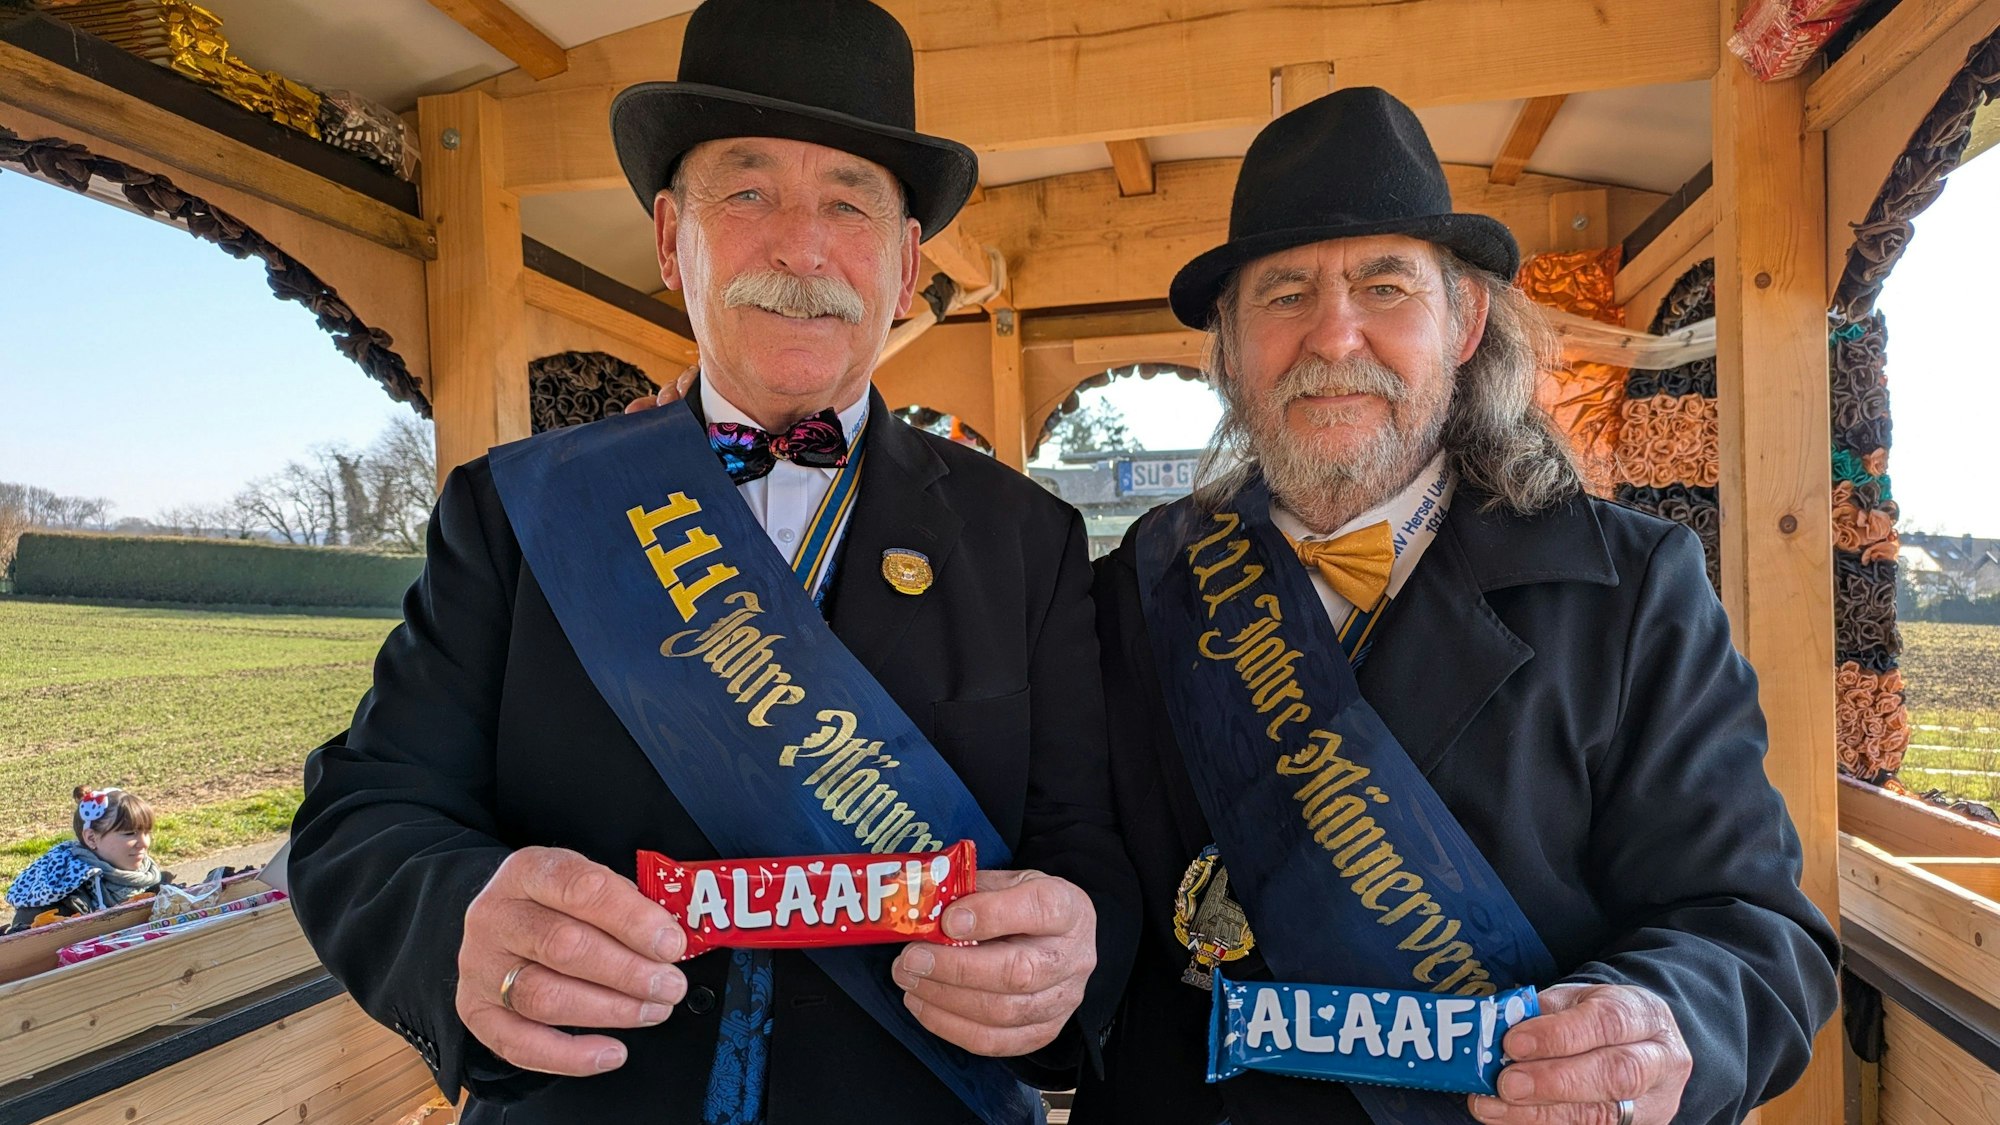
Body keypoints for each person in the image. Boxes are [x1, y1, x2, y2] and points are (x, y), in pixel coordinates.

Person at [285, 2, 1133, 1123]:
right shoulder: (518, 510)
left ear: (905, 259)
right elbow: (368, 813)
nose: (802, 245)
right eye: (748, 193)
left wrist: (1067, 958)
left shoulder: (1025, 536)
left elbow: (1089, 849)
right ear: (667, 233)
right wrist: (459, 923)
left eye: (850, 203)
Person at [1076, 87, 1839, 1125]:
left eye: (1384, 287)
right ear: (1227, 346)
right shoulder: (1136, 587)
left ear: (1464, 322)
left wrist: (1661, 1026)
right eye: (1284, 294)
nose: (1332, 338)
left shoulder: (1633, 587)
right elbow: (1085, 882)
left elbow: (1752, 931)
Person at [6, 786, 165, 932]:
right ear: (91, 838)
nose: (144, 843)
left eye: (147, 832)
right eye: (130, 833)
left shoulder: (161, 887)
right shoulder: (52, 900)